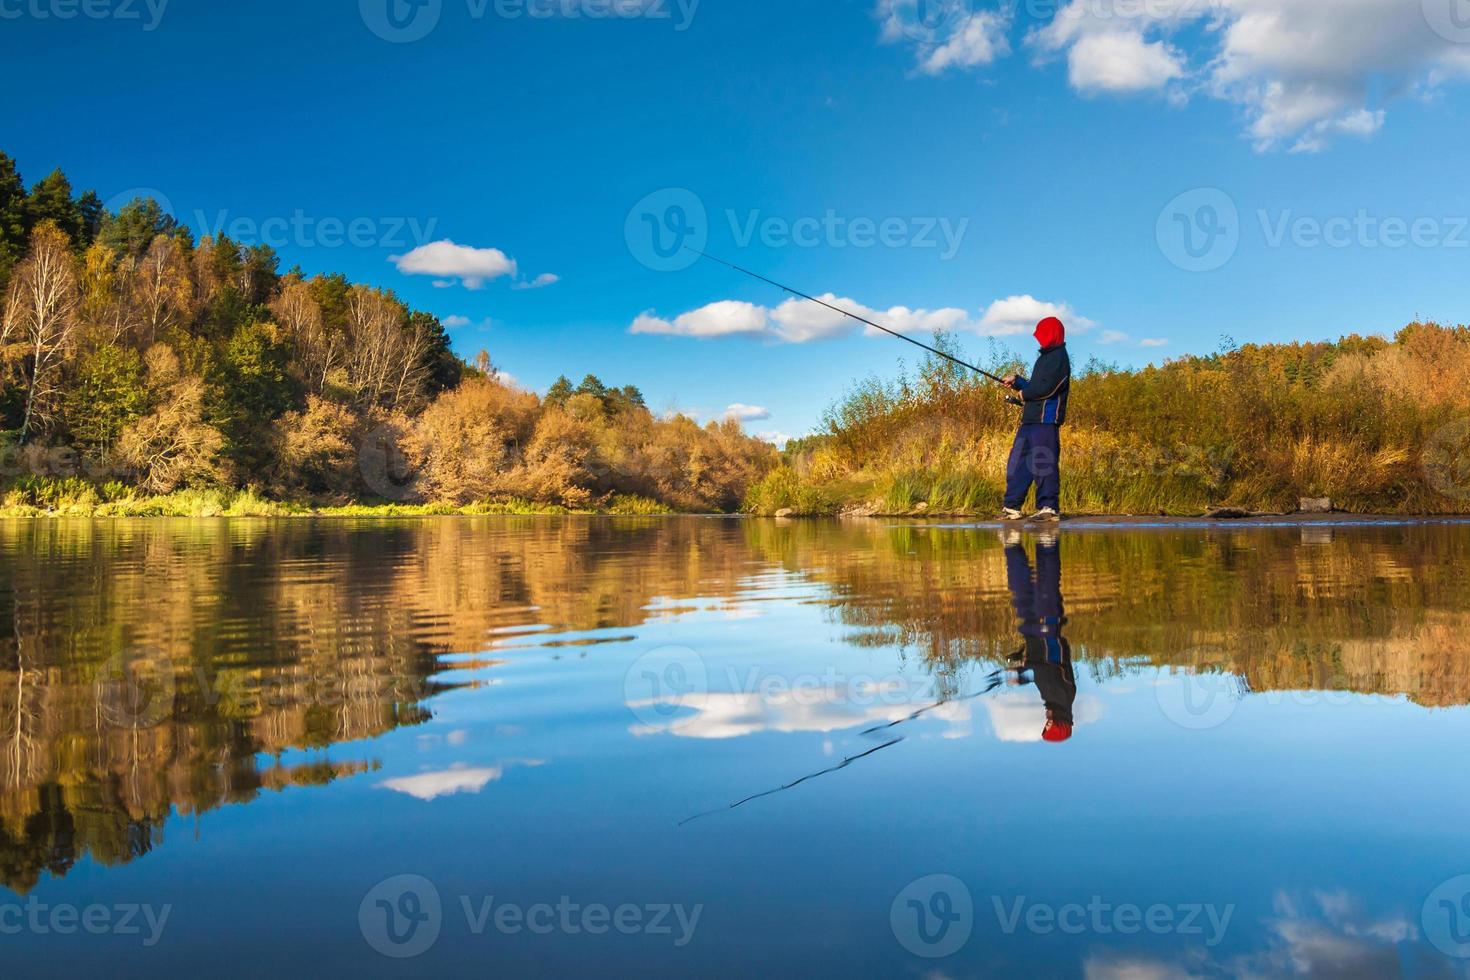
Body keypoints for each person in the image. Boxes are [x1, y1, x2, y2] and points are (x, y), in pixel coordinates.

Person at [1001, 530, 1076, 743]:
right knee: (1043, 582)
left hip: (1034, 634)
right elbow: (1049, 667)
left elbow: (1039, 669)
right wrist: (1023, 668)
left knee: (1019, 586)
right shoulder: (1063, 697)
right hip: (1047, 630)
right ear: (1060, 723)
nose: (1046, 718)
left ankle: (1014, 544)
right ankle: (1045, 541)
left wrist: (1021, 664)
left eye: (1046, 722)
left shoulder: (1051, 699)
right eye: (1049, 723)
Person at [1000, 316, 1071, 522]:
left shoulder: (1059, 357)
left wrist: (1023, 394)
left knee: (1043, 463)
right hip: (1030, 420)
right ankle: (1011, 507)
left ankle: (1049, 508)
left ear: (1051, 334)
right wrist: (1018, 381)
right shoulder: (1045, 357)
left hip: (1046, 421)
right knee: (1017, 463)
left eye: (1042, 335)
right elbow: (1036, 385)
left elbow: (1049, 388)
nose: (1039, 339)